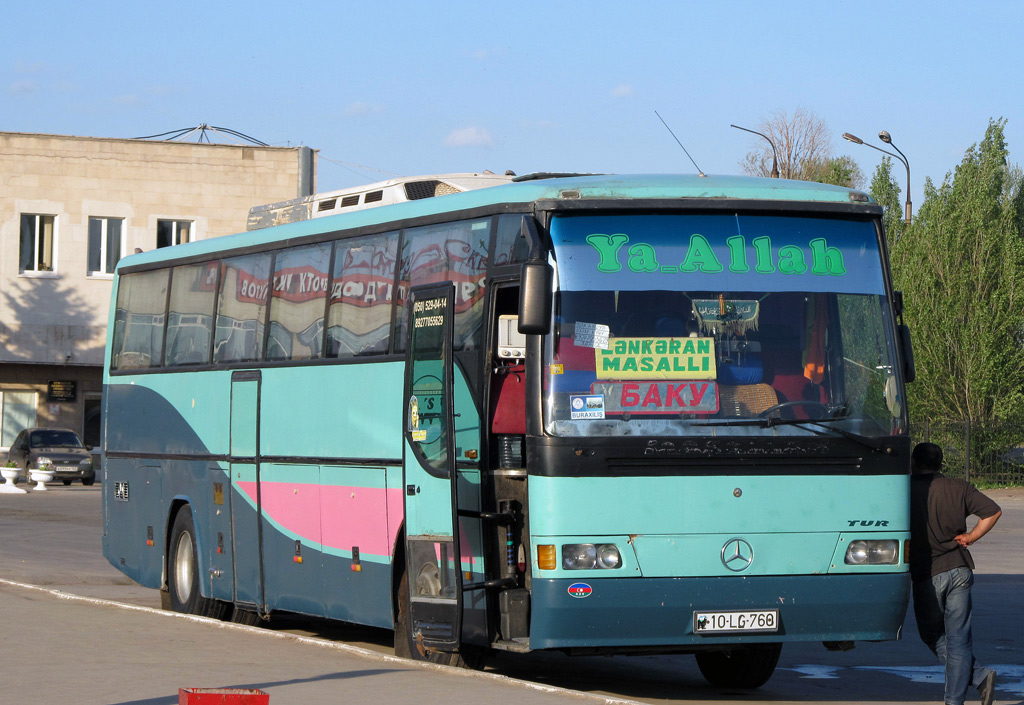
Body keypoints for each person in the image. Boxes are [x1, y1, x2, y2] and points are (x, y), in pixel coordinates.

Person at [909, 442, 1002, 705]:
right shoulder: (959, 487)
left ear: (914, 463)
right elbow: (993, 511)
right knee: (959, 639)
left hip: (929, 573)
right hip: (960, 568)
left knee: (933, 635)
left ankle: (981, 676)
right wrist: (971, 536)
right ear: (940, 464)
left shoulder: (905, 490)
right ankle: (957, 699)